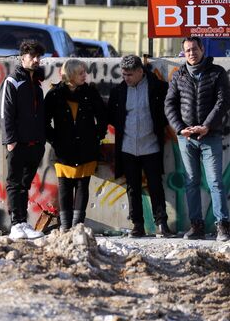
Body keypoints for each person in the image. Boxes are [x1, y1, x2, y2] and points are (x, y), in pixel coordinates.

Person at [164, 36, 230, 241]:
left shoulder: (217, 73)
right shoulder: (179, 75)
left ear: (202, 49)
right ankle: (196, 226)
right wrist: (180, 128)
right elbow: (170, 105)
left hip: (210, 136)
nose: (191, 53)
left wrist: (206, 126)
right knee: (191, 182)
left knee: (215, 182)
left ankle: (223, 227)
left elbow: (222, 101)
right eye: (187, 51)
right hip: (186, 139)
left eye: (194, 49)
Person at [108, 55, 172, 238]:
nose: (125, 78)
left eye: (129, 74)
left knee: (155, 185)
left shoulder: (158, 88)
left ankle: (162, 224)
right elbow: (113, 116)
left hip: (151, 145)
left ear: (139, 72)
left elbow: (166, 112)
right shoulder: (119, 91)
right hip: (128, 146)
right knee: (132, 186)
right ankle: (137, 224)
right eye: (123, 74)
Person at [44, 59, 107, 232]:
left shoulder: (90, 92)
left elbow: (102, 116)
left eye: (84, 72)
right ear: (70, 75)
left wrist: (97, 136)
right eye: (80, 73)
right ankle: (65, 226)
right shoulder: (55, 94)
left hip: (86, 148)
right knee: (64, 186)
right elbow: (43, 121)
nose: (84, 76)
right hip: (63, 150)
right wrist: (54, 139)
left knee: (82, 186)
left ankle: (77, 225)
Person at [1, 39, 47, 240]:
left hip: (35, 144)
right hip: (18, 143)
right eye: (32, 56)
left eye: (38, 57)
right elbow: (6, 113)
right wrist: (10, 140)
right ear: (23, 58)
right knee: (15, 183)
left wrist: (41, 141)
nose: (36, 60)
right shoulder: (13, 81)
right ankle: (16, 224)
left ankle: (22, 222)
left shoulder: (36, 84)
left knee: (25, 185)